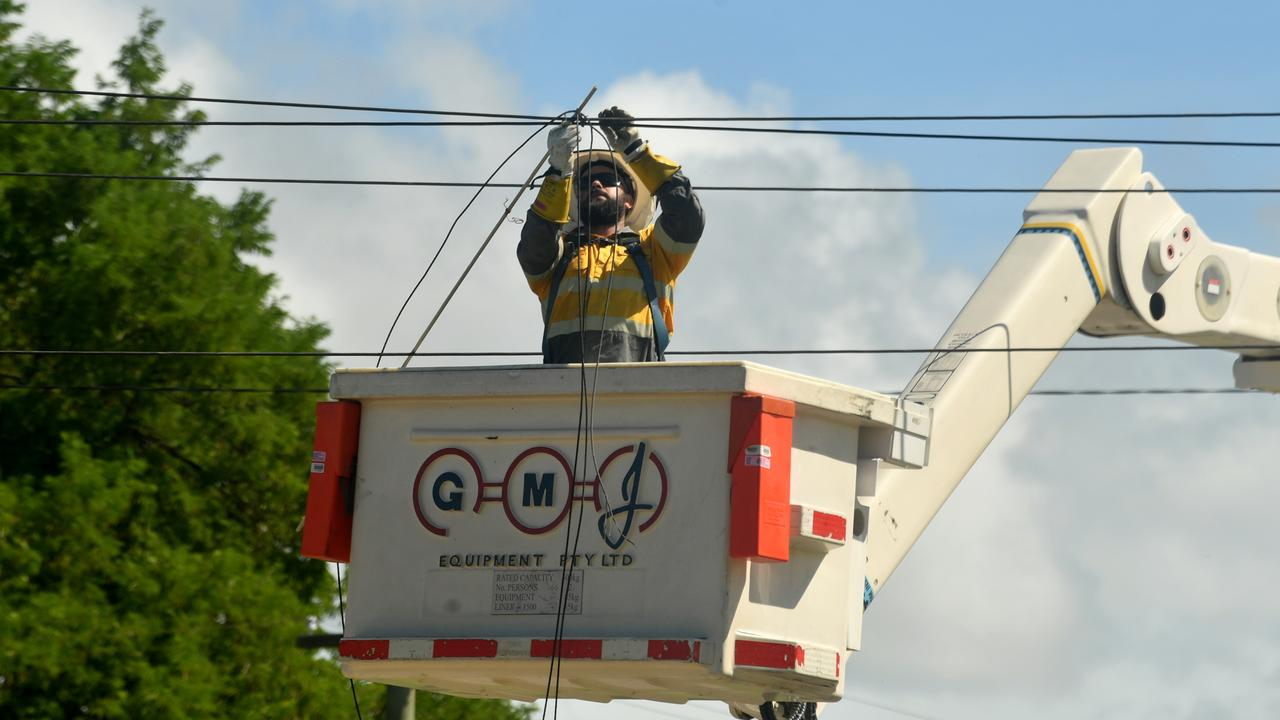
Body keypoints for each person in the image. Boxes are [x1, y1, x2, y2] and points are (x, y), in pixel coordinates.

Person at [517, 107, 705, 363]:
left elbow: (686, 215)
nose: (596, 184)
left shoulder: (653, 251)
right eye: (585, 183)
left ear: (629, 199)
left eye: (607, 179)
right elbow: (534, 245)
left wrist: (638, 153)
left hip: (636, 394)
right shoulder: (559, 255)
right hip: (562, 392)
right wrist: (557, 174)